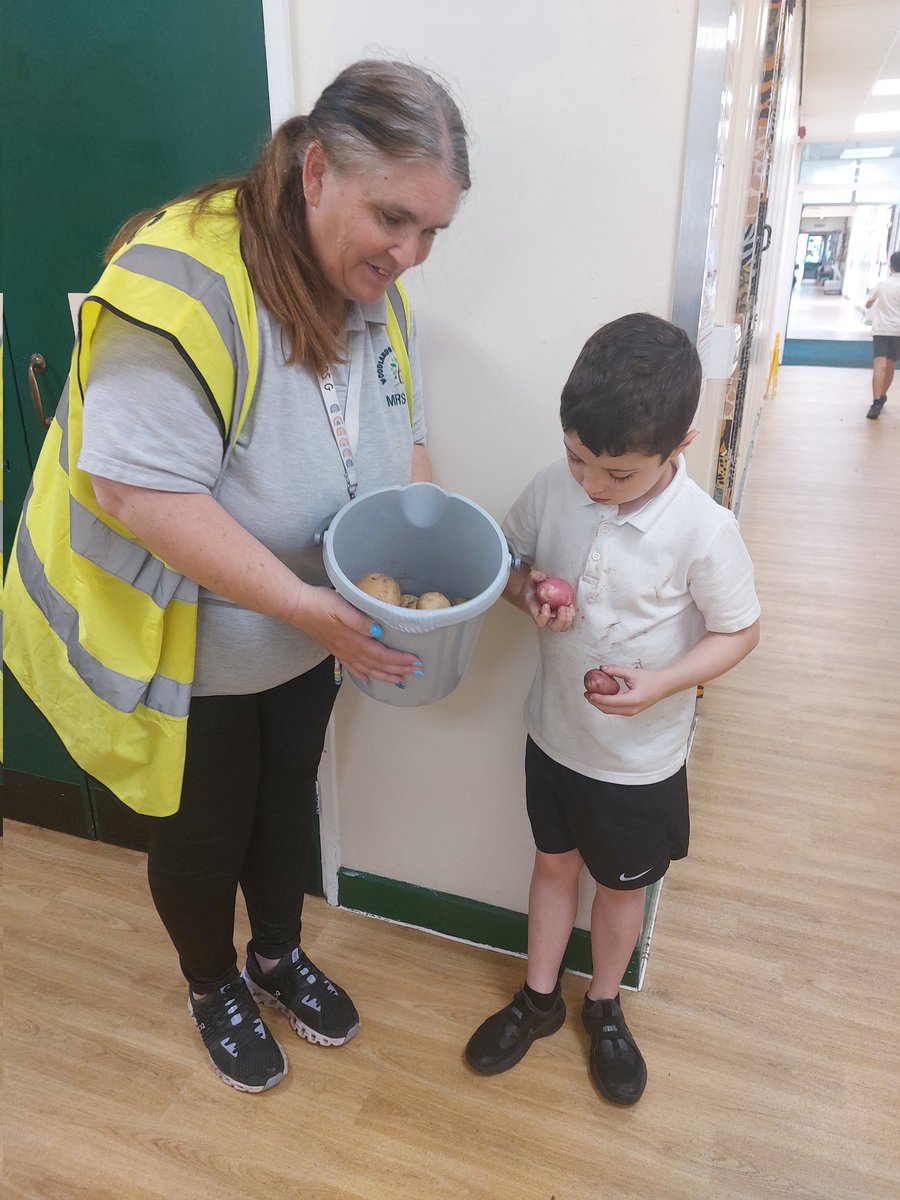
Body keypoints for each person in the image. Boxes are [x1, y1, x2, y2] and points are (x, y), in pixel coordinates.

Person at [4, 59, 470, 1093]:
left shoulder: (371, 289)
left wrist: (409, 547)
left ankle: (277, 955)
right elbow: (138, 494)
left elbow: (404, 433)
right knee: (204, 829)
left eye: (433, 230)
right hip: (193, 647)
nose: (411, 253)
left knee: (284, 807)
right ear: (315, 173)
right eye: (395, 217)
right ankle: (212, 978)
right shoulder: (183, 283)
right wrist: (312, 604)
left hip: (311, 633)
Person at [464, 313, 761, 1105]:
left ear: (680, 445)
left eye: (618, 474)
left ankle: (603, 1005)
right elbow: (510, 566)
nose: (592, 484)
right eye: (578, 460)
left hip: (639, 761)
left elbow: (740, 630)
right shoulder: (554, 487)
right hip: (554, 736)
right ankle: (537, 1000)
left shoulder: (704, 529)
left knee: (621, 890)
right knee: (553, 866)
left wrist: (663, 684)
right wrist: (531, 596)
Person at [864, 249, 900, 419]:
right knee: (891, 365)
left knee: (879, 365)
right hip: (898, 331)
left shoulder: (882, 284)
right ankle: (883, 395)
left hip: (881, 330)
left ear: (891, 267)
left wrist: (872, 302)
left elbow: (868, 304)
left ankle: (876, 401)